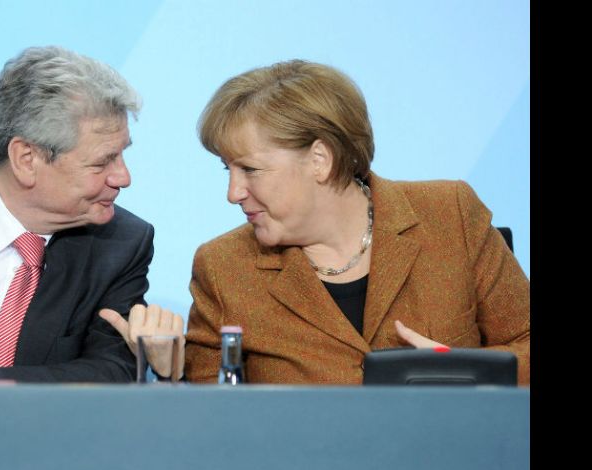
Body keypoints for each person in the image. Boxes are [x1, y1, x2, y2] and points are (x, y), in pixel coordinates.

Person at [184, 59, 529, 385]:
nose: (233, 193)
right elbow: (208, 412)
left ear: (320, 160)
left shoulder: (450, 215)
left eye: (250, 169)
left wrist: (464, 373)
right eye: (228, 169)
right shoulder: (222, 268)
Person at [0, 46, 183, 384]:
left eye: (121, 155)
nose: (123, 177)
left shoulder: (121, 245)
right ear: (26, 159)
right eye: (102, 162)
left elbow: (112, 370)